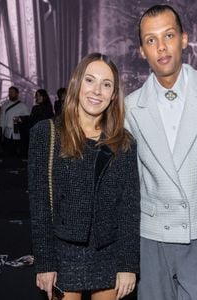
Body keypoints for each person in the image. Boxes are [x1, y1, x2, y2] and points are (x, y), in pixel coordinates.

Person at [125, 5, 197, 300]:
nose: (161, 47)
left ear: (184, 39)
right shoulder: (129, 107)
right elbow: (134, 177)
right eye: (151, 40)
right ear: (142, 51)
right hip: (152, 232)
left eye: (169, 35)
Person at [28, 53, 140, 300]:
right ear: (77, 84)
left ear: (113, 95)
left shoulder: (124, 143)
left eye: (106, 84)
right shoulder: (46, 134)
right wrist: (45, 263)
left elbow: (129, 208)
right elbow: (39, 206)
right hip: (61, 253)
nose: (97, 90)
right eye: (90, 80)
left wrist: (128, 265)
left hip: (108, 254)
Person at [0, 86, 29, 157]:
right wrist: (1, 133)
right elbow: (2, 120)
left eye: (12, 92)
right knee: (7, 153)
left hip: (18, 134)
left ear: (17, 94)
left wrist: (20, 119)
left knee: (17, 153)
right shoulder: (5, 105)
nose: (10, 94)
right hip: (7, 133)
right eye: (9, 92)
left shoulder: (23, 106)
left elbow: (28, 119)